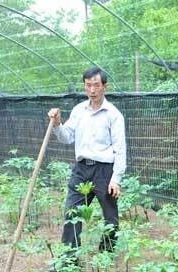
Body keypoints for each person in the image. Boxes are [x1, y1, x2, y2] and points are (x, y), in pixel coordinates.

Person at [48, 66, 126, 259]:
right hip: (81, 170)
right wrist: (57, 123)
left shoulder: (113, 115)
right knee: (72, 213)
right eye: (88, 85)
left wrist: (115, 179)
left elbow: (120, 149)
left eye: (96, 85)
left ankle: (105, 256)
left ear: (104, 87)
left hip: (104, 172)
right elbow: (66, 137)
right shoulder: (78, 111)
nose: (92, 90)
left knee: (111, 218)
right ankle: (68, 259)